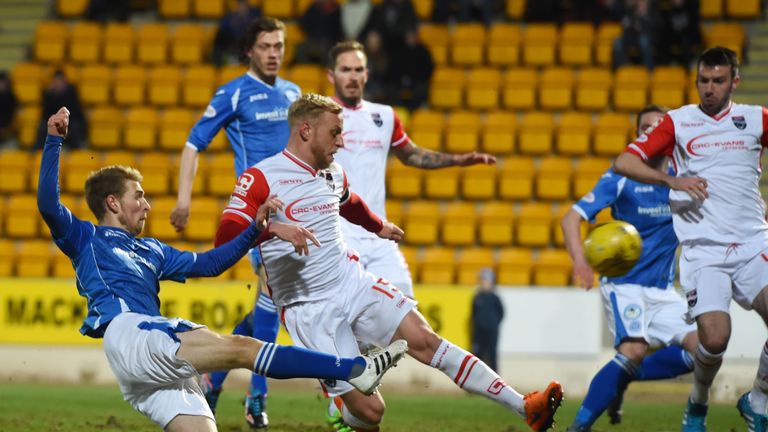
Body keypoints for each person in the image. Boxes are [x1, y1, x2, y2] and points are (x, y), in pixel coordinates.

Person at [37, 107, 408, 432]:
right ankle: (355, 369)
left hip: (149, 362)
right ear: (113, 202)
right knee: (241, 348)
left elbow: (210, 263)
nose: (147, 206)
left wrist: (255, 232)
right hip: (130, 333)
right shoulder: (85, 237)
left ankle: (352, 369)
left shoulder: (152, 250)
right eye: (140, 196)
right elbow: (48, 205)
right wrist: (54, 140)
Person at [216, 93, 563, 432]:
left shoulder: (332, 173)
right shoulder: (260, 177)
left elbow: (350, 203)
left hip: (351, 281)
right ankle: (343, 407)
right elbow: (224, 241)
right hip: (308, 308)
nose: (341, 142)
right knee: (372, 412)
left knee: (424, 339)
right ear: (306, 130)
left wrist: (377, 226)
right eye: (335, 133)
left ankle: (524, 406)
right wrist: (273, 228)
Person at [614, 46, 768, 432]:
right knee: (715, 340)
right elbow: (624, 162)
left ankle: (758, 402)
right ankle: (697, 403)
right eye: (704, 81)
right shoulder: (678, 122)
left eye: (718, 81)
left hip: (753, 243)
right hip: (704, 251)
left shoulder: (755, 119)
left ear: (734, 81)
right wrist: (671, 179)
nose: (710, 88)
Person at [170, 17, 300, 428]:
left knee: (271, 305)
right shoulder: (234, 93)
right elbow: (193, 145)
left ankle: (213, 376)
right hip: (258, 210)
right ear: (250, 51)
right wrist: (183, 200)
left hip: (298, 211)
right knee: (273, 295)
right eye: (265, 46)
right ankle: (256, 399)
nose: (274, 53)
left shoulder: (295, 93)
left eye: (278, 45)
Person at [561, 105, 699, 431]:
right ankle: (578, 427)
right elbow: (571, 218)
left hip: (664, 289)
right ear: (637, 136)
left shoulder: (681, 179)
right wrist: (580, 261)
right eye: (644, 128)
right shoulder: (621, 178)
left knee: (705, 349)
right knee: (634, 348)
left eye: (657, 128)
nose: (650, 133)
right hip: (625, 285)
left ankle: (620, 377)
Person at [328, 40, 495, 300]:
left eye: (358, 70)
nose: (353, 76)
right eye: (346, 70)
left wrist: (457, 160)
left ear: (367, 74)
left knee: (406, 308)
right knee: (349, 316)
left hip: (378, 233)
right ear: (331, 75)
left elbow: (411, 154)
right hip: (338, 233)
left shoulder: (384, 116)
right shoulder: (319, 115)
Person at [35, 70, 86, 150]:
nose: (58, 84)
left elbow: (75, 112)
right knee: (42, 127)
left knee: (75, 128)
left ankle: (76, 152)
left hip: (70, 121)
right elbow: (45, 114)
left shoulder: (71, 93)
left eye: (60, 81)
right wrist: (50, 94)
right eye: (56, 81)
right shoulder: (49, 94)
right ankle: (37, 152)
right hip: (54, 121)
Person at [471, 268, 504, 372]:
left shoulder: (495, 298)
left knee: (492, 355)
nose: (484, 283)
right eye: (482, 280)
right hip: (479, 332)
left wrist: (493, 325)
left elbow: (501, 313)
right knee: (478, 355)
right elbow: (474, 313)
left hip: (492, 332)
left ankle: (496, 380)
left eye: (486, 280)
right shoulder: (477, 297)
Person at [211, 0, 262, 66]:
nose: (242, 7)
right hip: (233, 49)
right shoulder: (229, 17)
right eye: (240, 4)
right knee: (222, 35)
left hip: (249, 47)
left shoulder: (255, 15)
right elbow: (222, 34)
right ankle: (218, 65)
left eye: (243, 4)